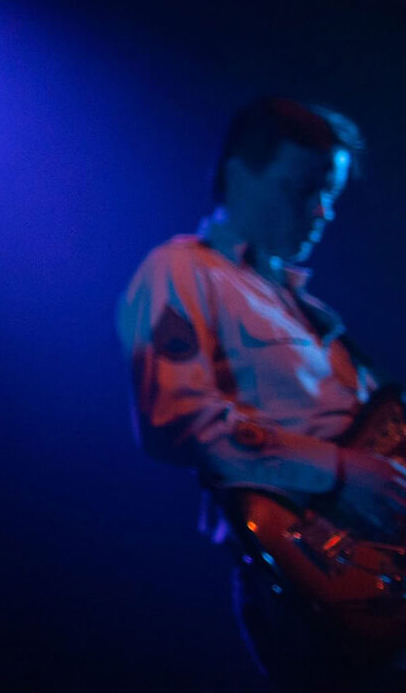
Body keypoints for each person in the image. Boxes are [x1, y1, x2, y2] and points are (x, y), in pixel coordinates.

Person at [118, 97, 406, 689]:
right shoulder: (181, 270)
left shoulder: (310, 308)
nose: (321, 211)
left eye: (330, 194)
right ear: (238, 172)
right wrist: (340, 473)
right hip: (313, 572)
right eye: (303, 188)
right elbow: (178, 420)